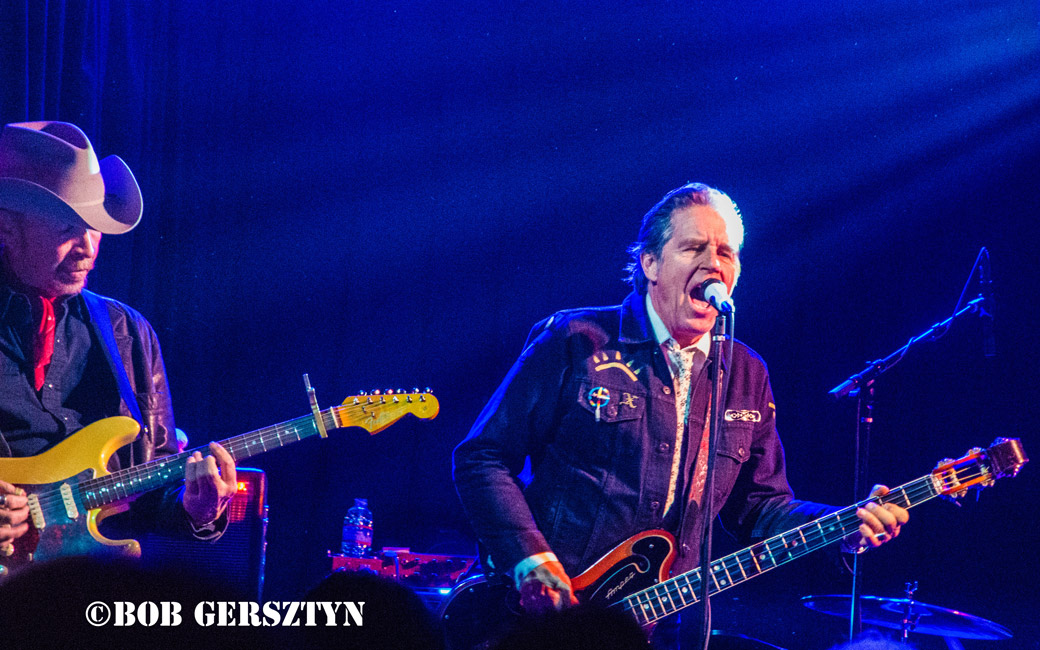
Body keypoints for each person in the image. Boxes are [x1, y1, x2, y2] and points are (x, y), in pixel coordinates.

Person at [453, 182, 908, 638]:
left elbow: (761, 508)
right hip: (543, 618)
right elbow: (481, 457)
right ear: (650, 263)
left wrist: (842, 527)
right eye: (694, 248)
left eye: (726, 253)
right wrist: (529, 559)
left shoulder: (746, 373)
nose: (713, 263)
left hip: (660, 627)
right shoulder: (577, 339)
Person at [0, 121, 238, 562]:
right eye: (68, 227)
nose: (88, 247)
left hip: (89, 586)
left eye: (94, 227)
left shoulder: (128, 332)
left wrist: (197, 510)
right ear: (7, 228)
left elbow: (154, 486)